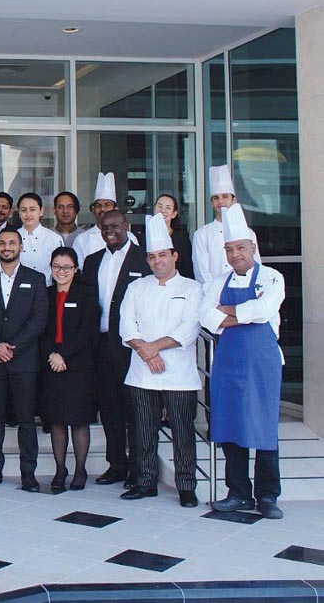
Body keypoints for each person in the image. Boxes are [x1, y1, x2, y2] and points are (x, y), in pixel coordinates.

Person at [201, 203, 286, 519]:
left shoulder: (272, 277)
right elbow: (206, 317)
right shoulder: (217, 283)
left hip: (262, 362)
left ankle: (267, 496)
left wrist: (229, 312)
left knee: (264, 428)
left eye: (240, 247)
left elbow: (263, 312)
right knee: (230, 426)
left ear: (253, 248)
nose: (234, 254)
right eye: (228, 249)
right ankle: (238, 493)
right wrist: (237, 315)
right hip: (227, 363)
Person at [118, 214, 202, 506]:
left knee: (182, 431)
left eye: (162, 256)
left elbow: (188, 329)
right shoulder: (137, 287)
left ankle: (186, 485)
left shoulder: (192, 288)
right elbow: (126, 327)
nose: (157, 262)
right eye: (152, 257)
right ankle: (145, 482)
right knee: (143, 431)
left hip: (179, 373)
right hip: (142, 372)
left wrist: (152, 348)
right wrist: (145, 351)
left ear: (174, 256)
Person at [0, 229, 47, 492]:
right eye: (2, 243)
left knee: (26, 419)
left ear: (21, 246)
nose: (7, 247)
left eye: (12, 243)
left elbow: (39, 319)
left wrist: (13, 347)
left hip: (23, 360)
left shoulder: (36, 279)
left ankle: (28, 473)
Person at [82, 210, 151, 488]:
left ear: (127, 226)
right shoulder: (92, 261)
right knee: (109, 409)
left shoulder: (143, 259)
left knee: (134, 410)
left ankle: (138, 467)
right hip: (100, 345)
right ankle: (116, 464)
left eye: (115, 226)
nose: (109, 231)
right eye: (104, 227)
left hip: (130, 347)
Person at [40, 247, 99, 492]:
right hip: (52, 365)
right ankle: (60, 469)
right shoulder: (45, 294)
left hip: (79, 367)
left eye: (66, 267)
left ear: (75, 269)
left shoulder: (86, 294)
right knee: (56, 419)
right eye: (56, 267)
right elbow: (39, 329)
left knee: (78, 420)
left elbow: (88, 332)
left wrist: (63, 355)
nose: (61, 272)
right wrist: (52, 354)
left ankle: (79, 470)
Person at [193, 165, 262, 285]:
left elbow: (256, 264)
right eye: (216, 198)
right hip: (213, 296)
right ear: (211, 202)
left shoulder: (248, 233)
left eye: (225, 196)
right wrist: (216, 293)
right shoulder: (202, 234)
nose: (221, 202)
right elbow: (201, 271)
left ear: (233, 200)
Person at [72, 173, 139, 261]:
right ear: (93, 209)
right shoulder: (82, 239)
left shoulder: (130, 237)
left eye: (107, 205)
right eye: (98, 205)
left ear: (115, 208)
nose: (102, 209)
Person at [16, 192, 64, 285]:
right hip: (18, 290)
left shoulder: (53, 238)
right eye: (23, 210)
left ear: (41, 211)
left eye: (32, 209)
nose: (28, 214)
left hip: (46, 289)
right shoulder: (13, 237)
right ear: (19, 213)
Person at [152, 193, 193, 279]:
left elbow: (186, 268)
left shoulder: (182, 239)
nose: (163, 210)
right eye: (160, 206)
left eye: (168, 207)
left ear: (174, 214)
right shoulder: (144, 238)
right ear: (154, 210)